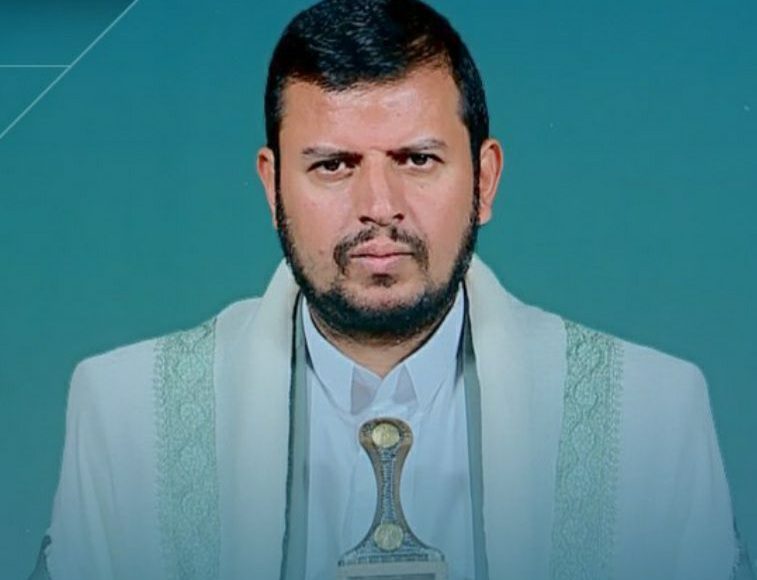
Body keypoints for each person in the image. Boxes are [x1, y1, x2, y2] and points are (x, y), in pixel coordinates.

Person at [30, 0, 753, 579]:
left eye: (416, 158)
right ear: (272, 187)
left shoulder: (651, 417)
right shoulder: (126, 416)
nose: (379, 205)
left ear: (484, 179)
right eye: (333, 165)